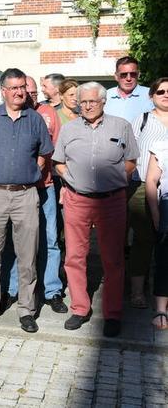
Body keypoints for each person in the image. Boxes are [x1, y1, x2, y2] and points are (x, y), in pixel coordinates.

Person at [0, 68, 53, 334]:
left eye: (22, 88)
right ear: (3, 90)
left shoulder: (35, 119)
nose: (19, 92)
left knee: (27, 255)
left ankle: (27, 309)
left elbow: (44, 153)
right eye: (14, 88)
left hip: (26, 194)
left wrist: (34, 173)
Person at [53, 82, 138, 338]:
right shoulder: (68, 129)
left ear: (103, 102)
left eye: (93, 101)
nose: (88, 106)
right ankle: (80, 309)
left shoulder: (121, 126)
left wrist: (112, 180)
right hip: (77, 200)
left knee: (112, 259)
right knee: (75, 256)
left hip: (111, 201)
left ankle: (112, 314)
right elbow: (58, 162)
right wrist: (72, 181)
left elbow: (131, 161)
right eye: (84, 101)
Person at [6, 77, 67, 313]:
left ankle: (51, 290)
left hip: (46, 187)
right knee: (15, 240)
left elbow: (59, 149)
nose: (29, 95)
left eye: (33, 92)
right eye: (25, 91)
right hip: (19, 190)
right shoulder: (10, 114)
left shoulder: (49, 113)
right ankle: (13, 289)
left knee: (50, 240)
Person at [126, 77, 168, 309]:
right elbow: (128, 153)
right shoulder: (141, 120)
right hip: (142, 187)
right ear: (151, 95)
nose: (165, 94)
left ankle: (162, 291)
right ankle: (137, 292)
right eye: (160, 91)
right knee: (145, 240)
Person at [144, 140, 168, 331]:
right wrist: (155, 212)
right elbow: (151, 180)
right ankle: (161, 310)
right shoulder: (161, 145)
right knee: (164, 259)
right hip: (167, 204)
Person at [104, 56, 154, 123]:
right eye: (124, 75)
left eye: (133, 74)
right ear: (116, 76)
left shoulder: (151, 95)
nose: (128, 78)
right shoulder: (105, 96)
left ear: (138, 75)